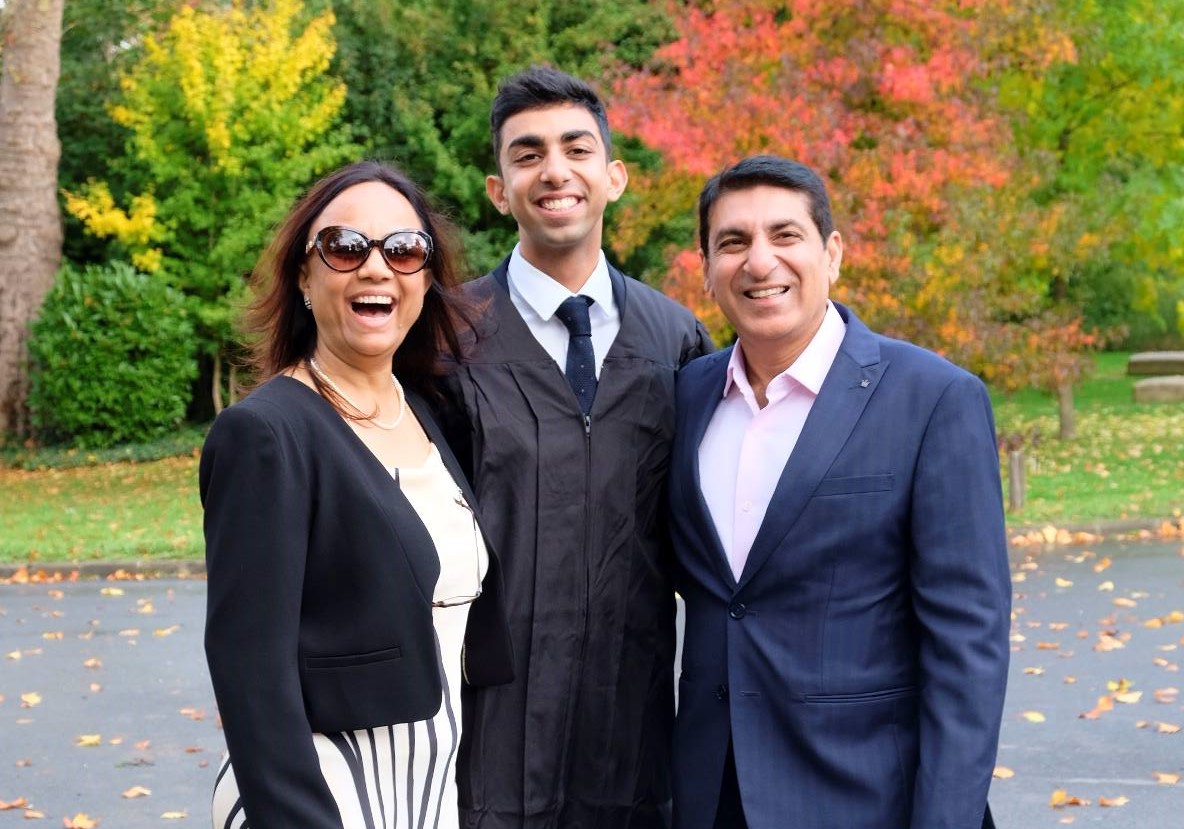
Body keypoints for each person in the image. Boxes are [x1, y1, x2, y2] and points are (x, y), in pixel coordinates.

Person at [668, 155, 1010, 829]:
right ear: (706, 268)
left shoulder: (933, 399)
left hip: (866, 798)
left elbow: (968, 645)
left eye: (785, 235)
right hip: (712, 798)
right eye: (732, 242)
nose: (759, 261)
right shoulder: (686, 396)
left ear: (832, 254)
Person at [438, 66, 714, 828]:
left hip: (633, 719)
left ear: (613, 175)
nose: (554, 170)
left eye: (575, 148)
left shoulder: (678, 339)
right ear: (499, 189)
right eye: (527, 154)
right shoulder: (443, 341)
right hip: (486, 725)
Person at [201, 160, 513, 829]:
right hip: (325, 793)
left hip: (428, 794)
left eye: (403, 250)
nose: (377, 267)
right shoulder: (265, 433)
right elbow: (249, 668)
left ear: (425, 281)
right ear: (305, 279)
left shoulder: (424, 412)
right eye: (345, 247)